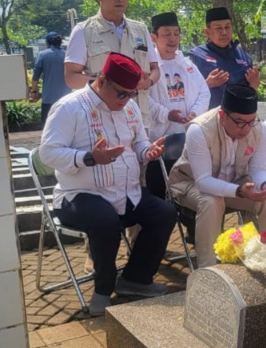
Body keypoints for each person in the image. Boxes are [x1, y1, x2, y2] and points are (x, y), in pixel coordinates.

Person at [40, 52, 176, 316]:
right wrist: (89, 157)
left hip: (125, 191)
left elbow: (138, 141)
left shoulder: (128, 106)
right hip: (79, 194)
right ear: (102, 81)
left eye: (132, 94)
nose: (127, 101)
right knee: (105, 222)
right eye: (122, 94)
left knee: (164, 213)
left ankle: (135, 279)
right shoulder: (69, 107)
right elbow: (48, 154)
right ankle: (103, 290)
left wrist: (147, 152)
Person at [168, 84, 266, 268]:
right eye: (240, 122)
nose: (247, 128)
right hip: (190, 183)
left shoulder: (258, 128)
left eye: (251, 121)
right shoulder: (199, 130)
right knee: (212, 201)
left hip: (235, 183)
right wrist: (239, 191)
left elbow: (258, 169)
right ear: (223, 115)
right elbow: (204, 181)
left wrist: (264, 185)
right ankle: (210, 270)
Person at [64, 0, 160, 131]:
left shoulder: (140, 29)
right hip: (101, 121)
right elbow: (71, 77)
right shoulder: (84, 31)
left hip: (138, 120)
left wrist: (148, 82)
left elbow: (155, 68)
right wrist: (105, 85)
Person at [145, 11, 211, 199]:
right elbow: (142, 97)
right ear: (154, 37)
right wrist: (167, 114)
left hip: (188, 137)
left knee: (188, 190)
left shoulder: (187, 64)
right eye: (167, 34)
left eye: (176, 33)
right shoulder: (148, 67)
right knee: (159, 191)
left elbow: (204, 91)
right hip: (159, 140)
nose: (173, 38)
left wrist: (195, 113)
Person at [189, 7, 260, 109]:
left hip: (240, 118)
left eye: (227, 27)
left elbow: (251, 91)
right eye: (218, 28)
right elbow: (185, 93)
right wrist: (207, 84)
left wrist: (254, 85)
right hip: (210, 118)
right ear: (207, 32)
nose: (224, 32)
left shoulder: (243, 56)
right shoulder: (197, 56)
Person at [31, 32, 71, 125]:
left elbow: (36, 75)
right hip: (66, 98)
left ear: (47, 43)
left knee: (47, 125)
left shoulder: (43, 55)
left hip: (48, 98)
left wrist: (33, 91)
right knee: (66, 125)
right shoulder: (67, 55)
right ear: (60, 42)